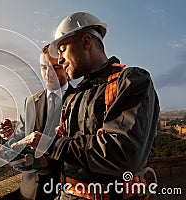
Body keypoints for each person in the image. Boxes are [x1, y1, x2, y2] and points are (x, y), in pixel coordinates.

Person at [26, 12, 160, 199]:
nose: (61, 59)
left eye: (63, 49)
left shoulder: (131, 81)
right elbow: (63, 154)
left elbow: (124, 154)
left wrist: (52, 144)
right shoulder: (75, 96)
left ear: (86, 42)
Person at [0, 44, 73, 200]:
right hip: (30, 190)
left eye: (55, 68)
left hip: (64, 189)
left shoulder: (80, 98)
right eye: (44, 68)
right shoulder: (30, 102)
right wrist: (9, 137)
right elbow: (19, 140)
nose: (48, 74)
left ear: (66, 66)